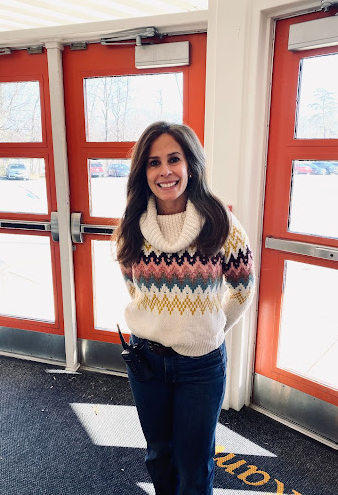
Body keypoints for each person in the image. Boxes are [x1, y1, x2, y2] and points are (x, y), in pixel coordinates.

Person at [114, 121, 255, 495]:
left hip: (202, 365)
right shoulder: (131, 226)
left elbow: (242, 287)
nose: (165, 171)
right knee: (159, 455)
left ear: (190, 164)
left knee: (195, 463)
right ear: (142, 171)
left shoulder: (220, 222)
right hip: (146, 360)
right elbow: (134, 288)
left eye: (173, 159)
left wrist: (210, 328)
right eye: (153, 162)